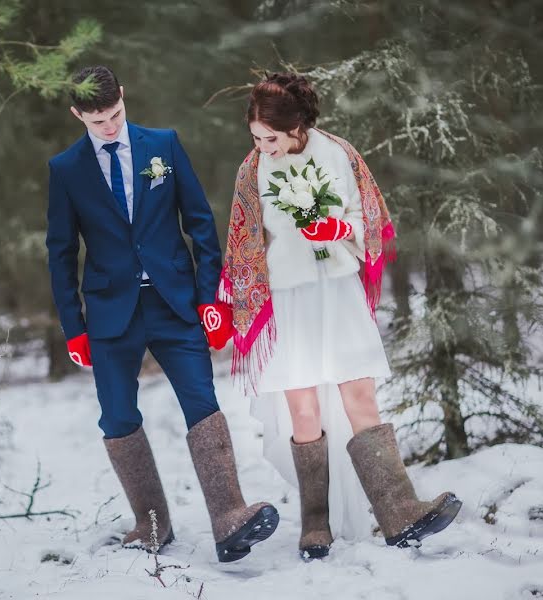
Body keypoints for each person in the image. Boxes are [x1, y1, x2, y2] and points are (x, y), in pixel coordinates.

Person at [217, 72, 462, 560]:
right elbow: (243, 240)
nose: (262, 147)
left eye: (271, 138)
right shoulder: (252, 170)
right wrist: (233, 301)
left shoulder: (338, 154)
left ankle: (399, 511)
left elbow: (366, 220)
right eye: (255, 138)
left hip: (339, 289)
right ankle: (314, 523)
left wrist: (334, 227)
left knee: (360, 395)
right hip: (288, 297)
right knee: (303, 407)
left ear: (297, 127)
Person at [45, 65, 277, 562]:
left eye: (115, 115)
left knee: (202, 399)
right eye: (97, 121)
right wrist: (74, 327)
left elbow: (199, 224)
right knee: (117, 416)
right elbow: (61, 252)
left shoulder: (164, 145)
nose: (109, 127)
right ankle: (151, 525)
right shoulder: (66, 169)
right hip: (110, 315)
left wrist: (209, 299)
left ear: (124, 99)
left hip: (174, 304)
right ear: (77, 115)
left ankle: (229, 516)